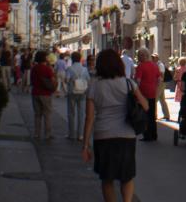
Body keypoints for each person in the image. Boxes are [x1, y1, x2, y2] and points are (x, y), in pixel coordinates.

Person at [82, 49, 149, 202]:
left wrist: (85, 145)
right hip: (126, 136)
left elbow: (89, 118)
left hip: (103, 136)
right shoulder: (129, 84)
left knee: (107, 178)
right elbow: (145, 106)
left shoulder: (94, 87)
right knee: (127, 176)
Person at [133, 48, 160, 141]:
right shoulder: (154, 65)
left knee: (144, 114)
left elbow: (138, 81)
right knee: (152, 114)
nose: (138, 57)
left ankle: (147, 134)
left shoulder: (140, 66)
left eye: (139, 55)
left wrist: (136, 92)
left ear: (141, 56)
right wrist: (155, 86)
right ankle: (154, 134)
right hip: (152, 92)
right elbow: (159, 79)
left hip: (143, 93)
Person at [30, 50, 56, 139]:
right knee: (47, 114)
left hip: (35, 93)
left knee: (37, 114)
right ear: (44, 58)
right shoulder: (47, 69)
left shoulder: (34, 68)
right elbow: (52, 80)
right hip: (45, 94)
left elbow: (32, 81)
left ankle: (37, 133)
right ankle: (47, 134)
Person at [66, 51, 90, 141]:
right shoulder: (85, 69)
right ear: (80, 59)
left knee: (71, 113)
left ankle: (71, 134)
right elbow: (88, 80)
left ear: (72, 59)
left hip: (72, 92)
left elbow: (67, 80)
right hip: (83, 92)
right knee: (81, 114)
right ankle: (80, 135)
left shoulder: (69, 69)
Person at [152, 53, 171, 121]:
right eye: (152, 57)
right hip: (160, 83)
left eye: (154, 57)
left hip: (160, 83)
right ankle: (166, 115)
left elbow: (162, 75)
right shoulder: (156, 64)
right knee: (162, 100)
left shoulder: (160, 65)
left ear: (157, 58)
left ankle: (154, 115)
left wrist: (158, 83)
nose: (152, 58)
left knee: (154, 100)